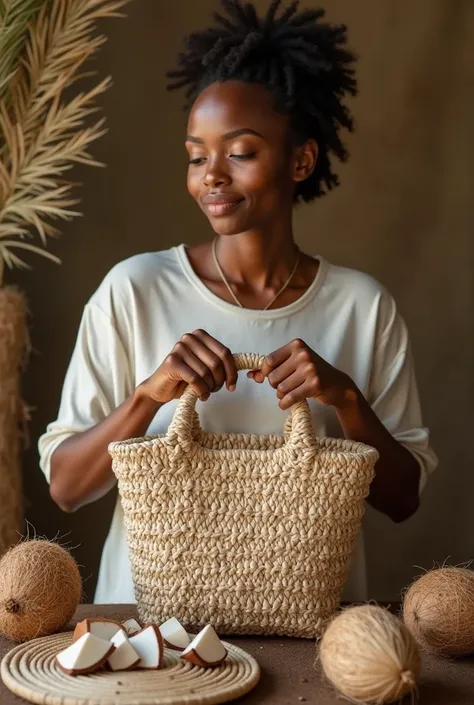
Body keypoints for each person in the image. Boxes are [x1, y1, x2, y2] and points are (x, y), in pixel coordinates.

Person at [39, 0, 437, 605]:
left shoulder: (362, 307)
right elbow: (67, 487)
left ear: (301, 160)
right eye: (196, 156)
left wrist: (345, 398)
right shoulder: (134, 290)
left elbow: (402, 500)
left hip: (312, 645)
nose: (211, 176)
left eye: (241, 153)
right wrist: (148, 396)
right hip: (155, 643)